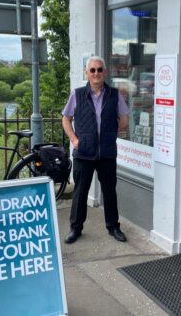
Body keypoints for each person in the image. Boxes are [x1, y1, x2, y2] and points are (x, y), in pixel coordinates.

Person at [61, 55, 129, 244]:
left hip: (106, 152)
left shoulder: (115, 94)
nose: (96, 73)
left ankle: (113, 227)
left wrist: (111, 132)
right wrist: (74, 139)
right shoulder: (77, 94)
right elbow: (65, 118)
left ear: (104, 72)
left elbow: (124, 119)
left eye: (99, 69)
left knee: (109, 191)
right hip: (84, 152)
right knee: (80, 192)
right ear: (87, 73)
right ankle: (75, 228)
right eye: (92, 70)